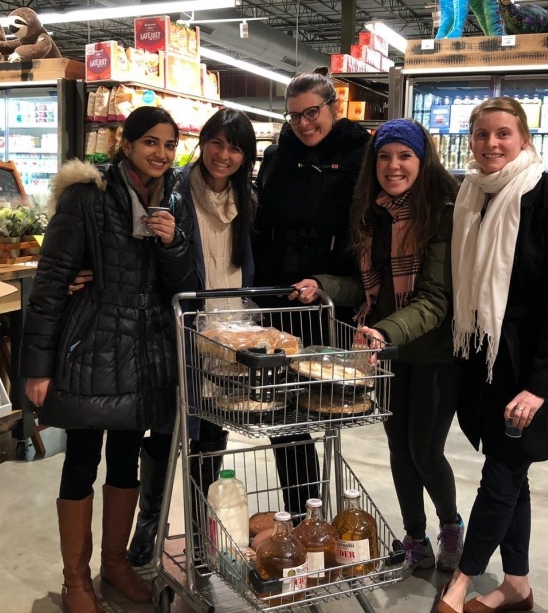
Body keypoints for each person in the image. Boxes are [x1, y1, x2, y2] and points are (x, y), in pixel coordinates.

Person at [126, 107, 328, 567]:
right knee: (166, 432)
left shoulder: (247, 200)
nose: (224, 155)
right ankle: (149, 526)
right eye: (216, 143)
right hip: (178, 332)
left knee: (211, 438)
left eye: (235, 147)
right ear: (202, 145)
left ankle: (201, 535)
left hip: (229, 339)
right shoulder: (174, 191)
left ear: (246, 157)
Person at [20, 106, 196, 613]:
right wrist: (38, 367)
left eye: (169, 144)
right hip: (91, 350)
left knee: (125, 460)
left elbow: (181, 287)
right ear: (127, 143)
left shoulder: (174, 201)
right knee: (80, 459)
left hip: (144, 356)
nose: (161, 154)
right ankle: (76, 581)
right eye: (150, 143)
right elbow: (52, 284)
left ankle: (115, 565)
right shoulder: (87, 199)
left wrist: (173, 242)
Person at [438, 97, 548, 613]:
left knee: (501, 472)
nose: (491, 144)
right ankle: (518, 586)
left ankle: (462, 583)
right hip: (486, 362)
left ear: (524, 138)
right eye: (481, 135)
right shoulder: (470, 199)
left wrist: (540, 386)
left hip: (533, 370)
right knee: (511, 470)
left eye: (503, 133)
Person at [292, 118, 465, 573]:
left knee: (425, 450)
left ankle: (450, 525)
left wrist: (385, 331)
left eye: (404, 156)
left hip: (433, 352)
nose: (394, 165)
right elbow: (370, 286)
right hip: (388, 351)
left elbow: (435, 299)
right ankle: (415, 536)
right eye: (385, 156)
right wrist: (322, 284)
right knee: (398, 448)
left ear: (422, 161)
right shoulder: (374, 212)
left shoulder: (442, 212)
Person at [253, 68, 372, 522]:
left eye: (313, 113)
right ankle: (301, 515)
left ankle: (317, 510)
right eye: (295, 115)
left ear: (333, 107)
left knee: (322, 405)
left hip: (328, 304)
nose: (304, 123)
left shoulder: (361, 153)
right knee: (283, 414)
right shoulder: (278, 154)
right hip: (278, 299)